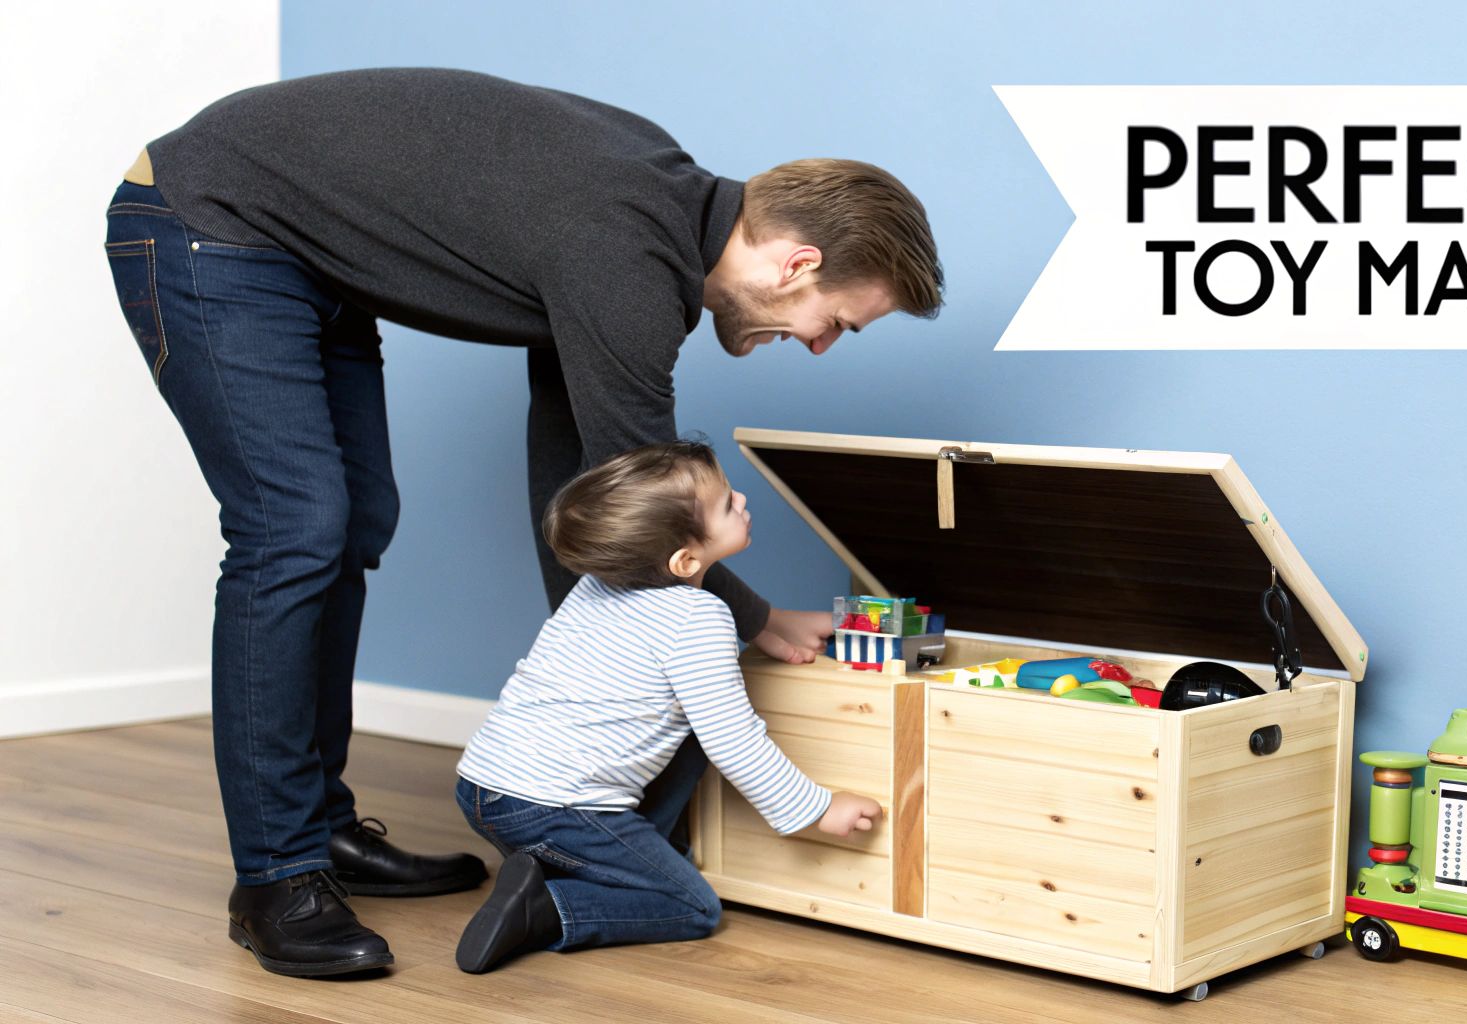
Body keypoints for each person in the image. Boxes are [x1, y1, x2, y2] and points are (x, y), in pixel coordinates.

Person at [102, 67, 941, 977]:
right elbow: (646, 510)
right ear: (797, 265)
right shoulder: (628, 256)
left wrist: (596, 705)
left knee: (354, 522)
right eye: (837, 322)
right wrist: (757, 619)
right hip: (211, 219)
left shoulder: (650, 220)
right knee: (296, 528)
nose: (819, 345)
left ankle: (323, 830)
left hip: (302, 254)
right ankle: (276, 877)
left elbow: (580, 483)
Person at [453, 440, 882, 973]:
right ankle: (548, 908)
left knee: (690, 727)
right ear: (685, 561)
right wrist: (816, 809)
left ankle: (594, 861)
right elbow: (735, 740)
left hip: (480, 787)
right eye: (727, 504)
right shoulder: (699, 619)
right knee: (692, 905)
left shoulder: (591, 588)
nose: (742, 501)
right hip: (554, 810)